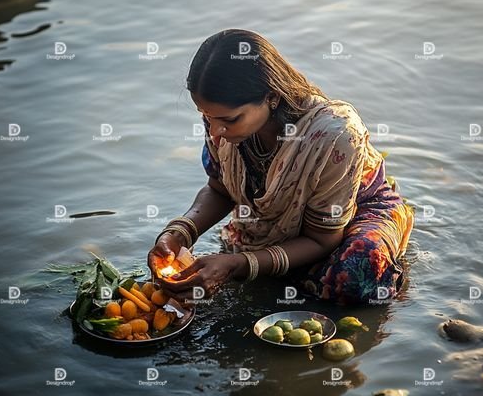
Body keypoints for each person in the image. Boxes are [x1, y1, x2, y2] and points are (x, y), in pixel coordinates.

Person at [147, 29, 414, 305]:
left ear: (271, 98)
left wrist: (239, 264)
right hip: (282, 223)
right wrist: (180, 231)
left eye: (229, 120)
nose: (215, 132)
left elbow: (322, 240)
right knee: (261, 267)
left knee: (357, 272)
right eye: (207, 118)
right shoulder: (220, 120)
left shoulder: (334, 136)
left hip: (348, 215)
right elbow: (219, 189)